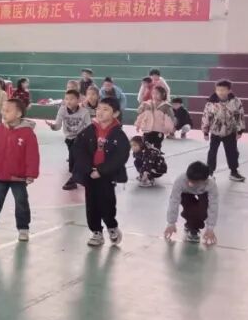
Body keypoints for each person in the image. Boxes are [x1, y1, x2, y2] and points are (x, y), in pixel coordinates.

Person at [0, 99, 39, 242]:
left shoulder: (27, 133)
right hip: (0, 175)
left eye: (8, 110)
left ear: (18, 114)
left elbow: (32, 155)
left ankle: (23, 229)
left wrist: (31, 174)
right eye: (3, 110)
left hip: (18, 177)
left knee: (21, 202)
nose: (4, 113)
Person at [72, 98, 129, 248]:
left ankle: (112, 226)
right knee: (91, 204)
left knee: (107, 203)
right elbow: (78, 149)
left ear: (115, 113)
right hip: (90, 175)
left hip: (106, 176)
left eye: (105, 109)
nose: (100, 112)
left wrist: (102, 170)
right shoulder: (89, 131)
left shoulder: (119, 134)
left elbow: (120, 157)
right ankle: (96, 232)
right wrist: (88, 168)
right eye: (99, 108)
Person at [46, 88, 91, 191]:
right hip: (69, 139)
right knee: (72, 164)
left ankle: (73, 181)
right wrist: (53, 126)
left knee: (76, 159)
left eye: (71, 99)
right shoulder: (62, 110)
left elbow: (89, 127)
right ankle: (82, 177)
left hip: (80, 139)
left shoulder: (84, 112)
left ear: (78, 100)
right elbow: (58, 126)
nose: (69, 101)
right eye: (66, 99)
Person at [164, 161, 219, 245]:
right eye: (189, 180)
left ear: (205, 181)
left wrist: (210, 228)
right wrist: (171, 223)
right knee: (191, 210)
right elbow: (174, 201)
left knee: (202, 212)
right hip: (186, 194)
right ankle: (192, 227)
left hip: (203, 193)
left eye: (195, 182)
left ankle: (194, 224)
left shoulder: (211, 184)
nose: (190, 184)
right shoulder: (180, 180)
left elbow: (213, 206)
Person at [202, 79, 246, 182]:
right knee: (212, 153)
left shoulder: (236, 102)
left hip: (230, 132)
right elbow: (206, 116)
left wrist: (240, 130)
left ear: (229, 90)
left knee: (232, 152)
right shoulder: (210, 102)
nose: (220, 92)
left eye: (223, 90)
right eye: (218, 90)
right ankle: (210, 172)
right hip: (215, 132)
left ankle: (234, 172)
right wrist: (205, 131)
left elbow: (240, 116)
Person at [134, 85, 175, 149]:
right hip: (147, 130)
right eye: (153, 93)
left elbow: (171, 118)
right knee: (146, 144)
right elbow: (141, 115)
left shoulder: (166, 106)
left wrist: (170, 129)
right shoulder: (147, 104)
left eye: (157, 93)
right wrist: (138, 125)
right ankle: (147, 155)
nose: (154, 95)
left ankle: (157, 154)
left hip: (159, 130)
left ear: (163, 94)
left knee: (157, 146)